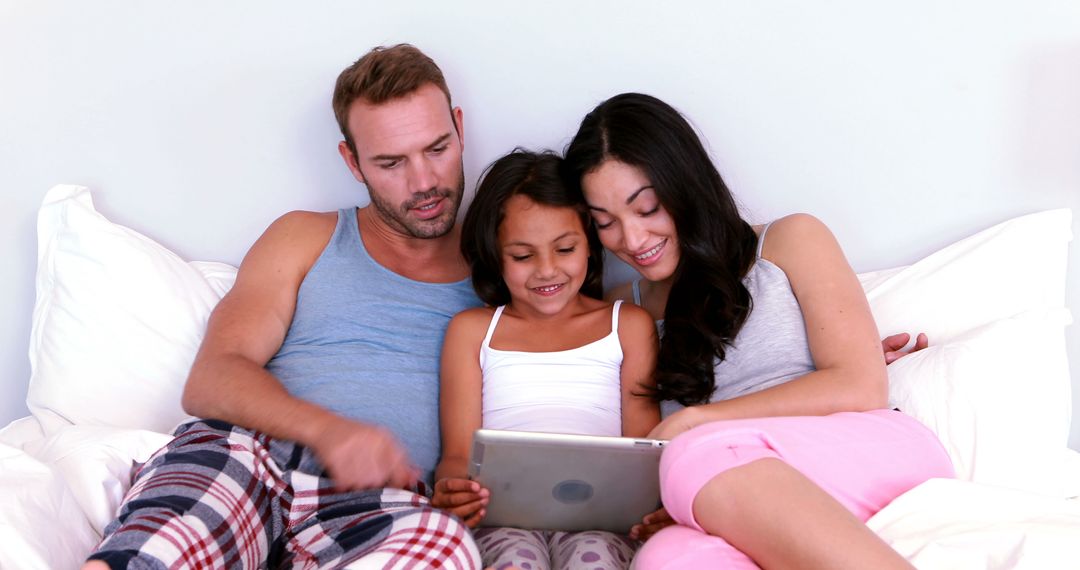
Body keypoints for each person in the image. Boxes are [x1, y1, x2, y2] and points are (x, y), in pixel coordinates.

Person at [83, 44, 484, 569]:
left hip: (388, 505)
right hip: (252, 460)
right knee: (163, 545)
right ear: (352, 161)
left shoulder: (508, 269)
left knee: (446, 546)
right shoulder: (304, 236)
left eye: (436, 148)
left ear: (458, 127)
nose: (424, 181)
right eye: (391, 162)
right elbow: (211, 378)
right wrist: (326, 430)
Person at [562, 93, 954, 569]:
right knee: (666, 557)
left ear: (684, 184)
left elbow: (860, 383)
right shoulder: (622, 311)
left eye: (647, 209)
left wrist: (698, 423)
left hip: (866, 453)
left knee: (694, 454)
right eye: (606, 223)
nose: (632, 240)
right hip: (742, 486)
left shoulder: (789, 240)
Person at [432, 150, 660, 570]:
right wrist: (451, 487)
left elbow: (642, 452)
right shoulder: (472, 331)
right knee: (517, 560)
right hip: (501, 520)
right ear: (495, 254)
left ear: (589, 243)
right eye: (523, 256)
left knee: (592, 559)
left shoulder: (627, 325)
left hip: (602, 524)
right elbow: (457, 454)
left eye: (565, 248)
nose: (547, 270)